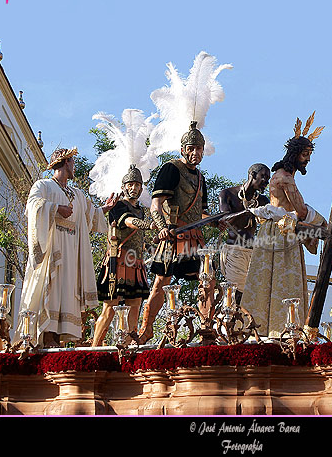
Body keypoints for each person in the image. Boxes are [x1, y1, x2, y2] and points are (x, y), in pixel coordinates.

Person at [18, 148, 118, 348]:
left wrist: (104, 209)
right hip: (53, 249)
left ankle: (58, 339)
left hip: (72, 251)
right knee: (52, 289)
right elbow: (32, 206)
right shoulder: (44, 185)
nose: (74, 166)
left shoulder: (77, 194)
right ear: (65, 163)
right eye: (72, 162)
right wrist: (56, 209)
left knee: (67, 292)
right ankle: (47, 337)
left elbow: (89, 216)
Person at [242, 113, 326, 338]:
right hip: (282, 232)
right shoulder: (285, 179)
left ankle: (270, 326)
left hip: (276, 229)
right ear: (296, 154)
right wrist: (322, 222)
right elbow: (300, 210)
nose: (308, 160)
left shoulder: (282, 175)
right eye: (306, 155)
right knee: (283, 281)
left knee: (270, 282)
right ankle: (282, 329)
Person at [138, 122, 210, 344]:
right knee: (161, 280)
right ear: (183, 149)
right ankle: (146, 328)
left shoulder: (201, 178)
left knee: (208, 279)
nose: (195, 153)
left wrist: (218, 222)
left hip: (195, 237)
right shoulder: (171, 169)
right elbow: (155, 205)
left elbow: (203, 213)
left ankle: (207, 327)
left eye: (199, 149)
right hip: (173, 235)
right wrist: (162, 228)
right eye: (191, 148)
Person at [91, 166, 154, 347]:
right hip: (117, 262)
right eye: (130, 184)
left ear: (142, 188)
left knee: (135, 307)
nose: (134, 188)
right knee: (110, 307)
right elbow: (128, 221)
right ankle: (95, 347)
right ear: (123, 186)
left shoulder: (141, 210)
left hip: (136, 263)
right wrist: (148, 225)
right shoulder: (118, 206)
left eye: (137, 185)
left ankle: (127, 347)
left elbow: (139, 239)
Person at [218, 163, 271, 304]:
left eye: (268, 178)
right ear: (252, 175)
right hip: (234, 250)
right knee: (234, 296)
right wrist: (248, 211)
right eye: (263, 177)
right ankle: (228, 324)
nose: (266, 181)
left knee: (253, 297)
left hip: (253, 253)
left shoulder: (263, 200)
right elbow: (224, 220)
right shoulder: (227, 194)